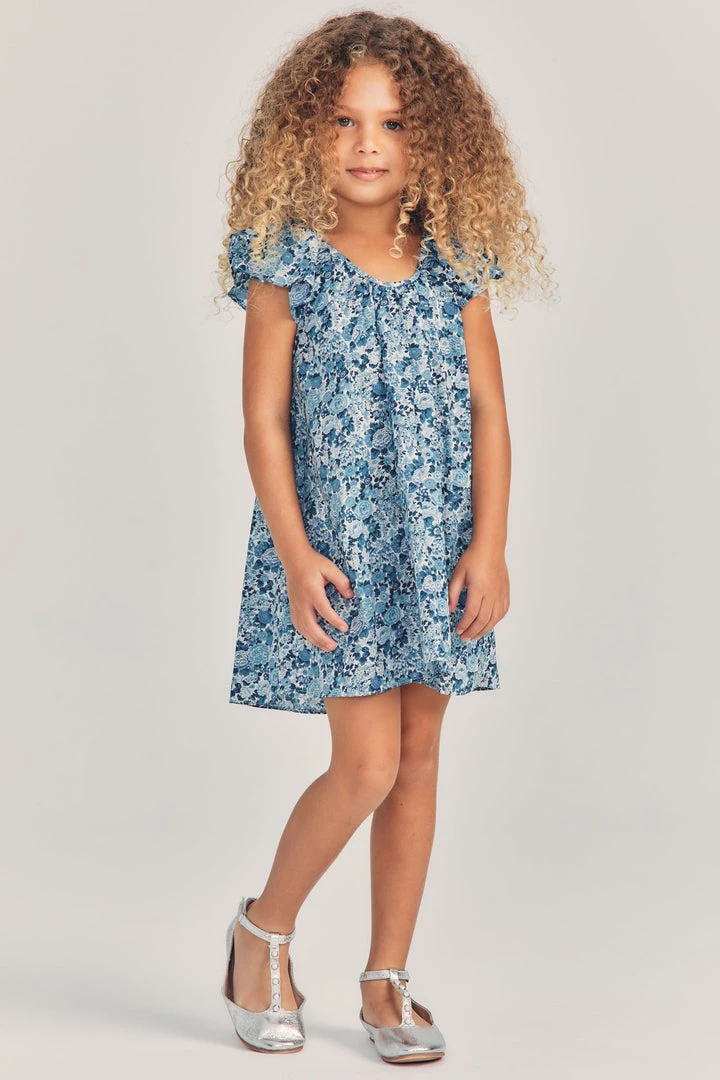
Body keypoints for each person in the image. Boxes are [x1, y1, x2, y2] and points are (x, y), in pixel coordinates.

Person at [217, 9, 553, 1063]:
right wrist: (293, 550)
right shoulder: (286, 262)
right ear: (302, 134)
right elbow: (263, 420)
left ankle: (385, 980)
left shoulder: (453, 261)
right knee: (363, 764)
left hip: (437, 547)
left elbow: (490, 410)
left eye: (395, 123)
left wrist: (490, 544)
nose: (369, 144)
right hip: (340, 550)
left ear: (433, 138)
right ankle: (262, 933)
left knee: (417, 757)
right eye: (345, 121)